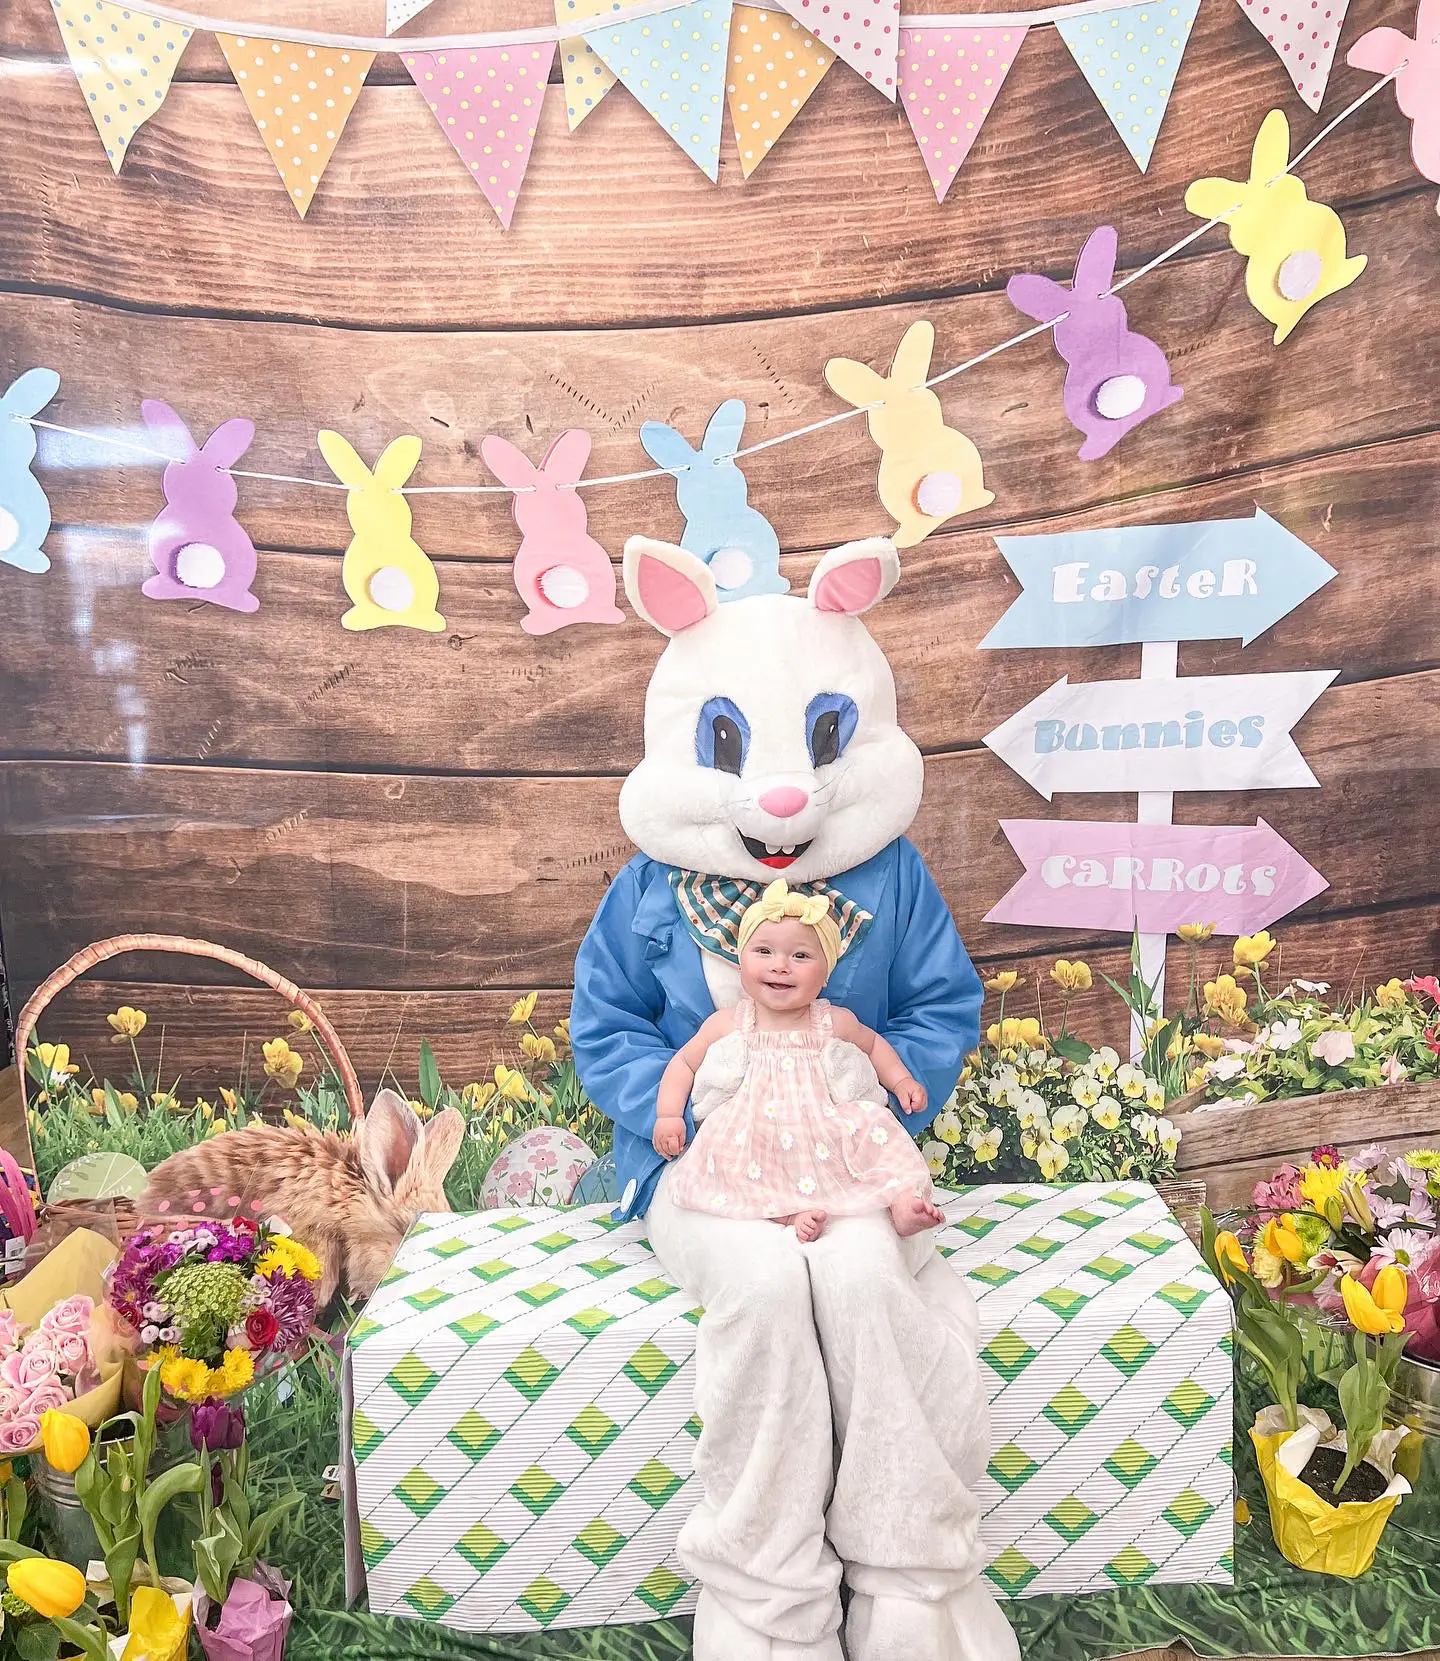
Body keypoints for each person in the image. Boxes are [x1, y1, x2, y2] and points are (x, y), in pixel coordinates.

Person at [571, 533, 1020, 1661]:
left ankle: (914, 1579)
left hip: (839, 1159)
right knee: (768, 1290)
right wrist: (689, 1108)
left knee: (870, 1279)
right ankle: (768, 1602)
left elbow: (936, 1008)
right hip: (703, 1172)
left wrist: (860, 1103)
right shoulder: (651, 886)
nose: (783, 790)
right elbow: (606, 1025)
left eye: (821, 742)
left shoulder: (890, 872)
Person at [653, 879, 944, 1243]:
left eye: (800, 956)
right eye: (763, 951)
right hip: (755, 1125)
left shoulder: (832, 1020)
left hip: (824, 1123)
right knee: (732, 1157)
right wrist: (668, 1115)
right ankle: (786, 1213)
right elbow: (684, 1064)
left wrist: (901, 1082)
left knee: (877, 1129)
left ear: (825, 975)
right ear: (741, 963)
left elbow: (873, 1046)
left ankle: (902, 1200)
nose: (780, 966)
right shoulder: (730, 1022)